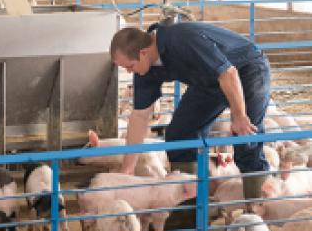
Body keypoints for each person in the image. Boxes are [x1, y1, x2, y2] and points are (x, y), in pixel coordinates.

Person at [110, 21, 271, 205]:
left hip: (246, 69)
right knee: (180, 134)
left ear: (143, 53)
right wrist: (127, 169)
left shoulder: (182, 39)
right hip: (208, 80)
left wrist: (240, 115)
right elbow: (139, 116)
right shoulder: (144, 70)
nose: (130, 72)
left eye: (129, 66)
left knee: (246, 137)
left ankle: (257, 210)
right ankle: (193, 210)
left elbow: (229, 73)